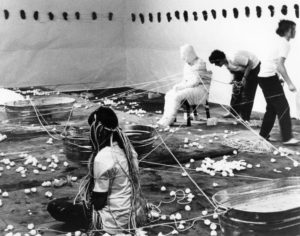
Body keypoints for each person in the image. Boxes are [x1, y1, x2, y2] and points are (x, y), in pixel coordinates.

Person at [47, 106, 149, 235]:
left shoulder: (103, 157)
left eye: (91, 130)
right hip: (132, 214)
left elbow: (99, 202)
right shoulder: (129, 150)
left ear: (98, 131)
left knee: (56, 206)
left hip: (111, 221)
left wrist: (88, 198)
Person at [258, 20, 299, 145]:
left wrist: (277, 76)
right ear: (288, 30)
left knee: (272, 108)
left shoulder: (277, 41)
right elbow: (280, 65)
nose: (295, 32)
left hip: (264, 77)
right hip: (269, 78)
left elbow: (273, 62)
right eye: (294, 29)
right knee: (283, 107)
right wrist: (290, 83)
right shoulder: (285, 44)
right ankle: (287, 138)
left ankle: (263, 135)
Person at [158, 44, 211, 126]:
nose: (184, 59)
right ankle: (166, 117)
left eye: (185, 56)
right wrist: (178, 86)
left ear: (190, 54)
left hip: (200, 89)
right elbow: (185, 80)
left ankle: (170, 119)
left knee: (177, 96)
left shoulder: (200, 63)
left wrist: (182, 87)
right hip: (190, 88)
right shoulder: (187, 64)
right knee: (169, 94)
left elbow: (195, 82)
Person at [208, 49, 260, 122]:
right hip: (243, 69)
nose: (216, 65)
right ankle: (233, 113)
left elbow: (250, 64)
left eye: (215, 63)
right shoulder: (225, 62)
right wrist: (233, 79)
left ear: (219, 59)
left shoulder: (234, 58)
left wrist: (244, 78)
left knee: (247, 94)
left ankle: (245, 118)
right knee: (236, 90)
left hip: (253, 68)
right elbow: (232, 70)